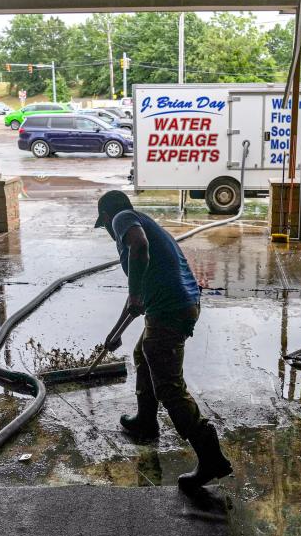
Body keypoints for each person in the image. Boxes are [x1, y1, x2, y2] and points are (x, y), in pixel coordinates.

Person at [94, 190, 232, 493]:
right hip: (177, 304)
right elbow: (138, 299)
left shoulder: (122, 218)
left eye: (103, 225)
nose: (107, 230)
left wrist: (134, 294)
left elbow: (138, 250)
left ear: (106, 217)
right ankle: (146, 421)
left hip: (171, 310)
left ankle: (211, 458)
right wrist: (114, 333)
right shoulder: (142, 223)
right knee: (143, 352)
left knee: (168, 385)